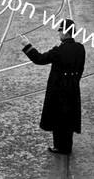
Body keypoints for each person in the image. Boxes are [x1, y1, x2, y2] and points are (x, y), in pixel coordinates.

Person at [18, 19, 86, 155]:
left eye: (60, 30)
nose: (59, 33)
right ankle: (67, 147)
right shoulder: (80, 48)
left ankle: (59, 146)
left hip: (59, 89)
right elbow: (80, 69)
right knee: (69, 117)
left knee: (58, 117)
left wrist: (27, 45)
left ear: (65, 32)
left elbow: (39, 59)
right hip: (73, 88)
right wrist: (73, 81)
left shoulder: (58, 50)